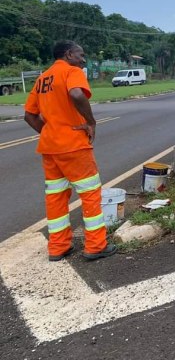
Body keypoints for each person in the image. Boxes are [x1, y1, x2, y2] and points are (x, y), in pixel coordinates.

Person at [24, 40, 117, 262]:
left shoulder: (42, 79)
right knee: (91, 194)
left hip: (50, 149)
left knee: (55, 198)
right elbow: (76, 94)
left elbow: (29, 115)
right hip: (74, 145)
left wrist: (49, 132)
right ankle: (95, 246)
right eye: (80, 54)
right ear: (68, 54)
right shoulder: (71, 71)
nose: (83, 59)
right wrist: (91, 122)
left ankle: (58, 247)